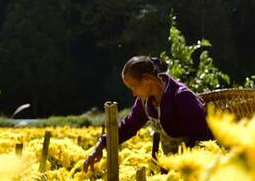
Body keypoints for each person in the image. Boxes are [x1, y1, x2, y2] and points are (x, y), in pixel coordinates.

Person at [82, 55, 214, 170]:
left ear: (147, 79)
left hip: (196, 166)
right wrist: (101, 145)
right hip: (175, 167)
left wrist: (174, 164)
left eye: (133, 87)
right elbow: (128, 127)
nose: (133, 93)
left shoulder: (181, 97)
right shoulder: (144, 102)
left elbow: (200, 138)